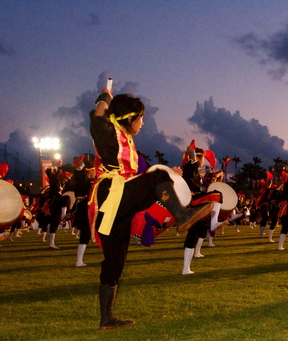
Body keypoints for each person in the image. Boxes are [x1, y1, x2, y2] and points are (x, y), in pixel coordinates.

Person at [90, 89, 213, 329]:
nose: (143, 123)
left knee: (115, 261)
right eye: (141, 118)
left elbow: (146, 172)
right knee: (157, 178)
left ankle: (107, 319)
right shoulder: (108, 134)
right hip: (112, 196)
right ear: (128, 117)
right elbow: (98, 118)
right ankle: (183, 215)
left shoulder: (129, 144)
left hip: (121, 202)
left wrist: (170, 172)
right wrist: (105, 97)